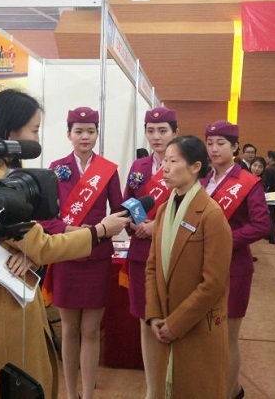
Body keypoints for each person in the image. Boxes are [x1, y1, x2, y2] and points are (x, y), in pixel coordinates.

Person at [0, 92, 130, 399]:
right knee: (16, 380)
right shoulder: (0, 181)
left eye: (90, 130)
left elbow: (23, 238)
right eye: (34, 130)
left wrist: (31, 253)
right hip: (3, 299)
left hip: (1, 293)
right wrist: (98, 231)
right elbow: (40, 238)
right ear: (11, 132)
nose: (37, 139)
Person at [39, 106, 123, 399]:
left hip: (97, 258)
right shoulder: (55, 168)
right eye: (79, 131)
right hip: (66, 256)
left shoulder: (108, 170)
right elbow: (45, 218)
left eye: (90, 131)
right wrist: (75, 230)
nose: (84, 136)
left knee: (90, 330)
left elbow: (120, 210)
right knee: (69, 329)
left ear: (97, 134)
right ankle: (70, 393)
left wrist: (106, 228)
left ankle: (87, 394)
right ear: (69, 134)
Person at [145, 135, 233, 398]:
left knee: (196, 389)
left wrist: (176, 323)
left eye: (173, 161)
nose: (165, 168)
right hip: (165, 320)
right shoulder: (164, 210)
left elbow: (213, 283)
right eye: (165, 161)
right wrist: (154, 314)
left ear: (195, 167)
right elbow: (152, 266)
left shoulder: (211, 214)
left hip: (196, 325)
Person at [202, 121, 271, 399]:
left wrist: (225, 238)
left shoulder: (248, 182)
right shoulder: (202, 180)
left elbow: (261, 225)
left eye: (221, 143)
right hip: (201, 267)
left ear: (235, 147)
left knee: (227, 337)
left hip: (234, 268)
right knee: (206, 336)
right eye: (210, 143)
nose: (214, 148)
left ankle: (230, 393)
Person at [123, 106, 178, 399]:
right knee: (145, 321)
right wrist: (134, 224)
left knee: (171, 320)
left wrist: (157, 225)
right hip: (141, 254)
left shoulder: (183, 164)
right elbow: (127, 203)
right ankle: (152, 389)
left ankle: (171, 385)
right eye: (151, 131)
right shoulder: (139, 166)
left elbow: (190, 209)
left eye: (163, 130)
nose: (156, 136)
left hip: (172, 255)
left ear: (175, 132)